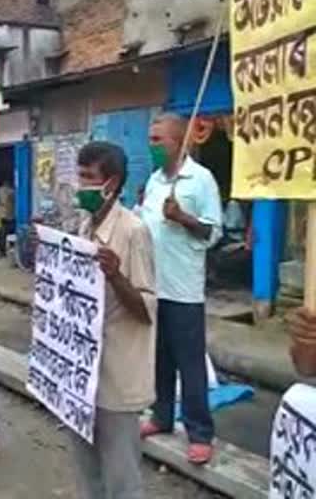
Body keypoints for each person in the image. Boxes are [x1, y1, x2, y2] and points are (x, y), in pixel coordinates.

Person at [67, 142, 156, 499]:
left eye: (88, 177)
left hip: (117, 377)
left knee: (121, 478)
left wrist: (117, 276)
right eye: (79, 175)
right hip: (81, 375)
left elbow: (148, 310)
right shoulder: (83, 226)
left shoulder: (134, 231)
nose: (80, 184)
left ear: (112, 183)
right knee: (86, 472)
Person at [139, 112, 222, 465]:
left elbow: (214, 232)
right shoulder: (154, 181)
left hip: (184, 289)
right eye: (150, 139)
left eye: (158, 140)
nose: (152, 146)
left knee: (190, 364)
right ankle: (161, 416)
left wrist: (183, 218)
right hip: (152, 286)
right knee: (159, 359)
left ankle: (200, 432)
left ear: (179, 142)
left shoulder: (201, 180)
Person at [0, 180, 15, 257]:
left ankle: (2, 252)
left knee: (3, 233)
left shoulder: (0, 190)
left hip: (2, 215)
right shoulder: (11, 191)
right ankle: (12, 250)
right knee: (11, 233)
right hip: (10, 215)